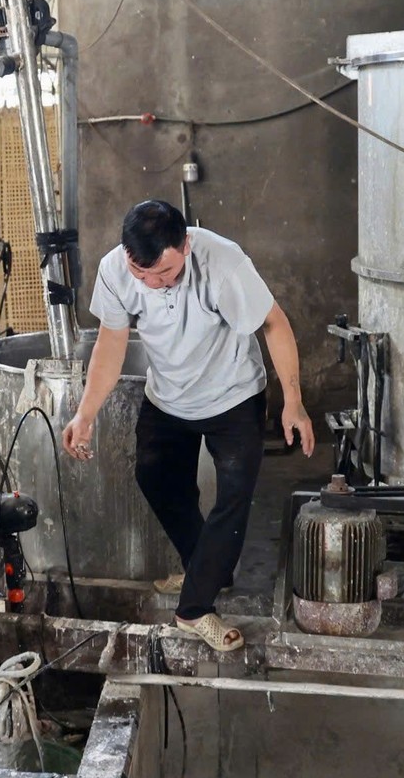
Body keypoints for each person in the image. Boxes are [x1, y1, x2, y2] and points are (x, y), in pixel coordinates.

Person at [62, 200, 314, 653]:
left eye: (166, 274)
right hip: (169, 396)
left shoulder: (224, 263)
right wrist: (85, 413)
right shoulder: (116, 270)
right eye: (143, 275)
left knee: (233, 497)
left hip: (233, 395)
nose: (154, 284)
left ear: (186, 245)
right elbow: (111, 343)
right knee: (155, 477)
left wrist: (292, 402)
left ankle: (195, 607)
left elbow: (274, 324)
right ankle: (208, 568)